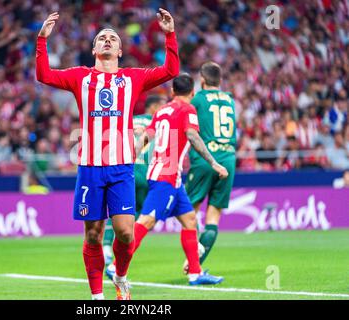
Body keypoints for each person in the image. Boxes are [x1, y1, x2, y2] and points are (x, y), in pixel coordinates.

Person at [36, 9, 179, 300]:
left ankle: (121, 275)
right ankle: (97, 297)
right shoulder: (80, 78)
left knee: (126, 232)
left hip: (121, 167)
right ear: (93, 49)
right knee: (93, 234)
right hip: (90, 167)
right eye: (101, 38)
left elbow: (170, 72)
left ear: (120, 49)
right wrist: (41, 41)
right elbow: (44, 75)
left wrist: (169, 35)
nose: (107, 41)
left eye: (113, 38)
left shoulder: (132, 79)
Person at [106, 74, 228, 285]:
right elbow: (193, 136)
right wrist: (214, 163)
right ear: (192, 92)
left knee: (189, 219)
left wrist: (132, 156)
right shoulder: (187, 109)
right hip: (166, 176)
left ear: (172, 91)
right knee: (146, 221)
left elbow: (146, 136)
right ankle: (115, 266)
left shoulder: (162, 110)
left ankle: (195, 274)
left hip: (171, 176)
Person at [184, 62, 237, 272]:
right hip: (229, 159)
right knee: (213, 217)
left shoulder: (197, 99)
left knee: (189, 213)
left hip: (205, 160)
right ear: (221, 81)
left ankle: (194, 256)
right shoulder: (230, 100)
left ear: (202, 81)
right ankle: (196, 264)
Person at [102, 95, 167, 266]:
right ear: (152, 107)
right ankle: (122, 253)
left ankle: (107, 248)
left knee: (119, 211)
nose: (162, 109)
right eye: (161, 105)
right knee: (142, 214)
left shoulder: (128, 121)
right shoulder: (159, 124)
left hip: (126, 171)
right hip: (147, 173)